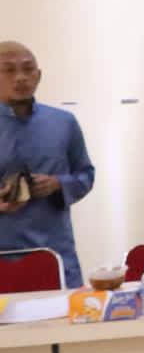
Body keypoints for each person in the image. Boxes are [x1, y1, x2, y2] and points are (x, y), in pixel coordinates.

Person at [0, 42, 95, 289]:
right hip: (3, 256)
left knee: (64, 312)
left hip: (55, 253)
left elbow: (86, 175)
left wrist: (58, 184)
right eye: (8, 70)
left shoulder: (63, 123)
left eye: (27, 69)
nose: (20, 77)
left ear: (39, 75)